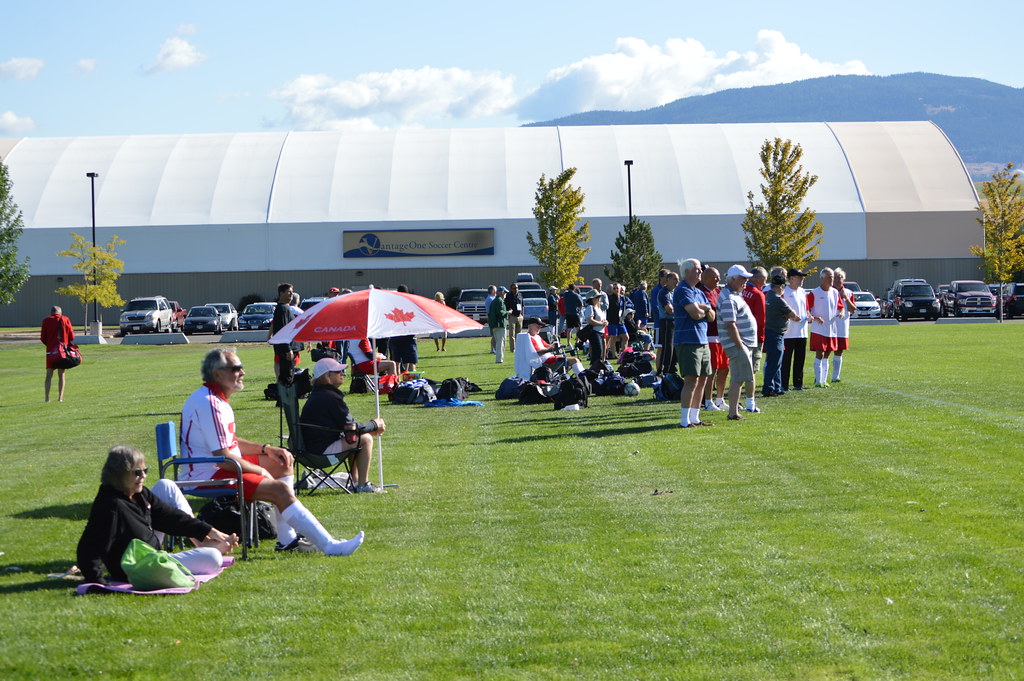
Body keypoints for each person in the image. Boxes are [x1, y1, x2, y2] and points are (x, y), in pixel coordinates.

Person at [180, 347, 364, 556]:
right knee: (280, 490)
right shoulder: (210, 403)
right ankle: (330, 546)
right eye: (236, 368)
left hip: (217, 466)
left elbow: (230, 442)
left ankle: (286, 540)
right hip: (206, 474)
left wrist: (266, 449)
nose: (243, 372)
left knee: (282, 461)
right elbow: (224, 457)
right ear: (218, 374)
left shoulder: (216, 399)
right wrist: (259, 472)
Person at [77, 445, 239, 586]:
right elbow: (90, 546)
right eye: (137, 472)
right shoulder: (111, 505)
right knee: (213, 558)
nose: (143, 476)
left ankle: (206, 544)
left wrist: (209, 531)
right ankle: (210, 549)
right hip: (139, 567)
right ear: (119, 474)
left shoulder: (139, 494)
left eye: (145, 470)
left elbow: (170, 517)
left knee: (165, 485)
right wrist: (96, 581)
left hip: (151, 553)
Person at [301, 358, 387, 493]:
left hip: (310, 448)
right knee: (365, 439)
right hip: (319, 452)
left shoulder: (321, 394)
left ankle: (356, 481)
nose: (343, 373)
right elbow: (350, 426)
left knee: (356, 437)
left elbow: (349, 427)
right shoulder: (330, 397)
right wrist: (374, 425)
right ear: (327, 376)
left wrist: (369, 427)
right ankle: (362, 484)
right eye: (338, 371)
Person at [674, 259, 715, 428]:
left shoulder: (699, 292)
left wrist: (703, 308)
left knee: (703, 379)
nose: (701, 272)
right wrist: (703, 310)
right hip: (688, 341)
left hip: (702, 340)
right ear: (688, 271)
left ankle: (695, 418)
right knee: (691, 379)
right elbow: (694, 314)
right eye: (698, 269)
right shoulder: (682, 290)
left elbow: (712, 316)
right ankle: (684, 421)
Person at [719, 265, 760, 419]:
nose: (746, 281)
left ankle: (734, 411)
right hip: (738, 344)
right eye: (743, 278)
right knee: (738, 378)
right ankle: (733, 413)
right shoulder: (729, 298)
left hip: (742, 343)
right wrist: (740, 345)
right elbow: (730, 325)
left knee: (740, 378)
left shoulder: (734, 295)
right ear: (734, 279)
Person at [762, 269, 800, 397]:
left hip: (770, 331)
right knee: (774, 362)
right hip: (776, 333)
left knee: (776, 361)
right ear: (782, 287)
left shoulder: (767, 296)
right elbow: (792, 314)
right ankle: (768, 387)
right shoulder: (778, 299)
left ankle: (776, 387)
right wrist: (786, 315)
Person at [697, 267, 728, 411]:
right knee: (712, 370)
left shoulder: (718, 292)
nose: (718, 280)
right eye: (715, 277)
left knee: (724, 368)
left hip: (722, 335)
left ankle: (720, 399)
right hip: (709, 336)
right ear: (706, 278)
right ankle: (708, 401)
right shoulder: (701, 293)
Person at [806, 267, 844, 388]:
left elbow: (840, 306)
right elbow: (806, 309)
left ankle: (824, 380)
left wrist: (842, 312)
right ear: (822, 278)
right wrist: (814, 317)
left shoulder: (835, 292)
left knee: (827, 353)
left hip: (831, 328)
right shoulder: (814, 293)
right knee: (820, 353)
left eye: (832, 277)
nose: (831, 279)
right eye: (829, 277)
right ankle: (818, 380)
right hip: (819, 328)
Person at [781, 268, 810, 391]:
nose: (802, 279)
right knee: (786, 360)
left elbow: (807, 308)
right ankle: (784, 385)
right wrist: (789, 316)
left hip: (802, 331)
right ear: (791, 278)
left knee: (800, 358)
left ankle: (798, 384)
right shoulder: (784, 291)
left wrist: (809, 316)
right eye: (799, 277)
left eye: (802, 277)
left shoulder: (803, 292)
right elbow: (780, 309)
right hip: (788, 332)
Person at [41, 305, 75, 402]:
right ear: (60, 312)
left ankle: (47, 398)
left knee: (49, 375)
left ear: (51, 312)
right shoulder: (65, 319)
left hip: (50, 351)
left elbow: (43, 338)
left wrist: (49, 344)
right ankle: (60, 398)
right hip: (62, 351)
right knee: (61, 374)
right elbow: (71, 336)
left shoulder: (46, 321)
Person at [741, 266, 768, 387]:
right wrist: (761, 337)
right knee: (752, 368)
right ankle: (749, 396)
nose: (765, 283)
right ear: (757, 278)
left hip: (738, 334)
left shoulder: (740, 290)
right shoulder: (758, 294)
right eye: (764, 279)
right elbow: (760, 319)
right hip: (753, 336)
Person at [270, 282, 300, 383]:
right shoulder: (282, 309)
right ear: (281, 293)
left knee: (289, 376)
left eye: (292, 292)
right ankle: (285, 397)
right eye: (288, 292)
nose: (291, 294)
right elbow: (282, 330)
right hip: (286, 351)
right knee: (287, 378)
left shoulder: (286, 308)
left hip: (289, 349)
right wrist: (287, 349)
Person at [832, 268, 856, 382]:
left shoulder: (849, 293)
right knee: (824, 352)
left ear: (844, 279)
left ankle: (835, 377)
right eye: (835, 277)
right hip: (829, 326)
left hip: (842, 326)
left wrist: (845, 298)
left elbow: (852, 310)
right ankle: (820, 377)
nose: (837, 280)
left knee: (839, 351)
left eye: (839, 277)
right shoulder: (828, 292)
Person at [389, 284, 418, 372]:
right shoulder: (411, 303)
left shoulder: (393, 304)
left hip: (396, 335)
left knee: (396, 363)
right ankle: (411, 382)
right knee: (411, 362)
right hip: (408, 336)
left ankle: (396, 382)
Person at [657, 271, 679, 375]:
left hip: (675, 321)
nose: (677, 281)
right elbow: (669, 310)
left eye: (678, 279)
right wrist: (677, 309)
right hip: (667, 322)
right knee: (667, 347)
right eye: (675, 279)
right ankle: (663, 371)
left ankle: (673, 371)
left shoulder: (676, 292)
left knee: (675, 347)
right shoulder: (663, 292)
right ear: (668, 280)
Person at [580, 288, 608, 367]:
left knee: (600, 351)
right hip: (594, 332)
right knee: (597, 351)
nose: (599, 299)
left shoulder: (598, 308)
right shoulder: (590, 308)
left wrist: (605, 322)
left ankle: (596, 367)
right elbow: (590, 320)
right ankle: (594, 368)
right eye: (597, 297)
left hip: (600, 332)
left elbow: (601, 319)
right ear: (592, 299)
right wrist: (601, 323)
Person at [606, 284, 628, 359]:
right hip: (612, 321)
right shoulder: (610, 298)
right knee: (614, 337)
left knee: (626, 337)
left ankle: (624, 353)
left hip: (620, 321)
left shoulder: (623, 298)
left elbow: (625, 307)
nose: (616, 290)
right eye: (614, 288)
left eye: (617, 288)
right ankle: (613, 354)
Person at [488, 288, 508, 363]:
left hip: (494, 325)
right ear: (502, 292)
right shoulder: (499, 300)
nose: (505, 294)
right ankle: (499, 360)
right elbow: (500, 313)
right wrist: (508, 312)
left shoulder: (493, 301)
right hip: (500, 325)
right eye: (505, 292)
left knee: (498, 343)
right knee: (501, 343)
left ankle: (500, 359)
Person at [505, 283, 524, 352]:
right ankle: (512, 349)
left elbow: (522, 305)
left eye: (516, 288)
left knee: (519, 333)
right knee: (512, 333)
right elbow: (506, 306)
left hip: (519, 316)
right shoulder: (508, 296)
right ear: (511, 289)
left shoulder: (520, 295)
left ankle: (519, 347)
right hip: (512, 316)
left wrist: (522, 315)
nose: (515, 289)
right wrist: (509, 312)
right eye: (513, 288)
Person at [484, 285, 498, 353]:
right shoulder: (491, 299)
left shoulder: (490, 298)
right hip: (492, 318)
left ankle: (493, 349)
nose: (496, 291)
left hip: (491, 317)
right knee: (494, 334)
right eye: (495, 290)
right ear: (492, 291)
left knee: (494, 334)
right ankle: (494, 349)